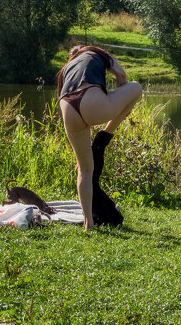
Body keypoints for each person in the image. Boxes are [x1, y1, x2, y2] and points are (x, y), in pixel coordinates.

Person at [56, 44, 143, 230]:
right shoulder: (97, 53)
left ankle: (89, 222)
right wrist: (119, 100)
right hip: (91, 100)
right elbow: (121, 76)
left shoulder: (67, 68)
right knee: (136, 88)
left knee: (85, 169)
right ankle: (105, 135)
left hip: (68, 108)